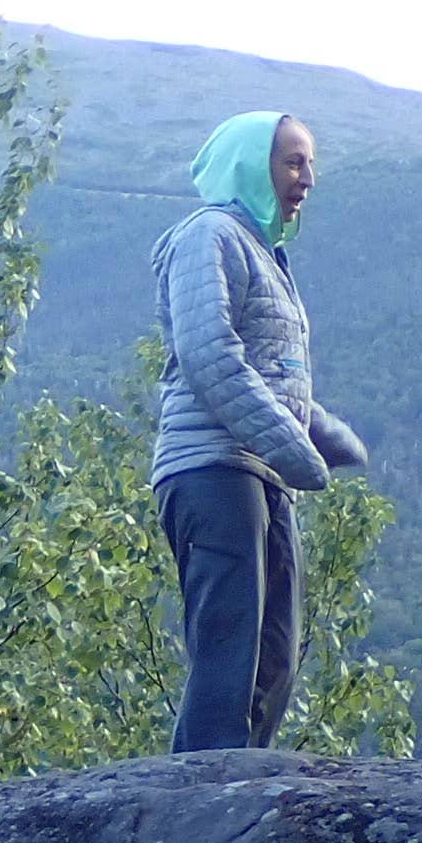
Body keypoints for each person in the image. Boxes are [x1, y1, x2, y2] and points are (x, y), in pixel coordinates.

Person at [149, 111, 367, 752]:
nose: (307, 178)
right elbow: (209, 355)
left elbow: (269, 376)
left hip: (260, 470)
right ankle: (197, 803)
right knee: (230, 644)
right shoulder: (209, 236)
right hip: (211, 469)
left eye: (309, 164)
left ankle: (242, 784)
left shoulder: (263, 251)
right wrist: (294, 449)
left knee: (275, 652)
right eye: (293, 162)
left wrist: (324, 432)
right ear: (251, 166)